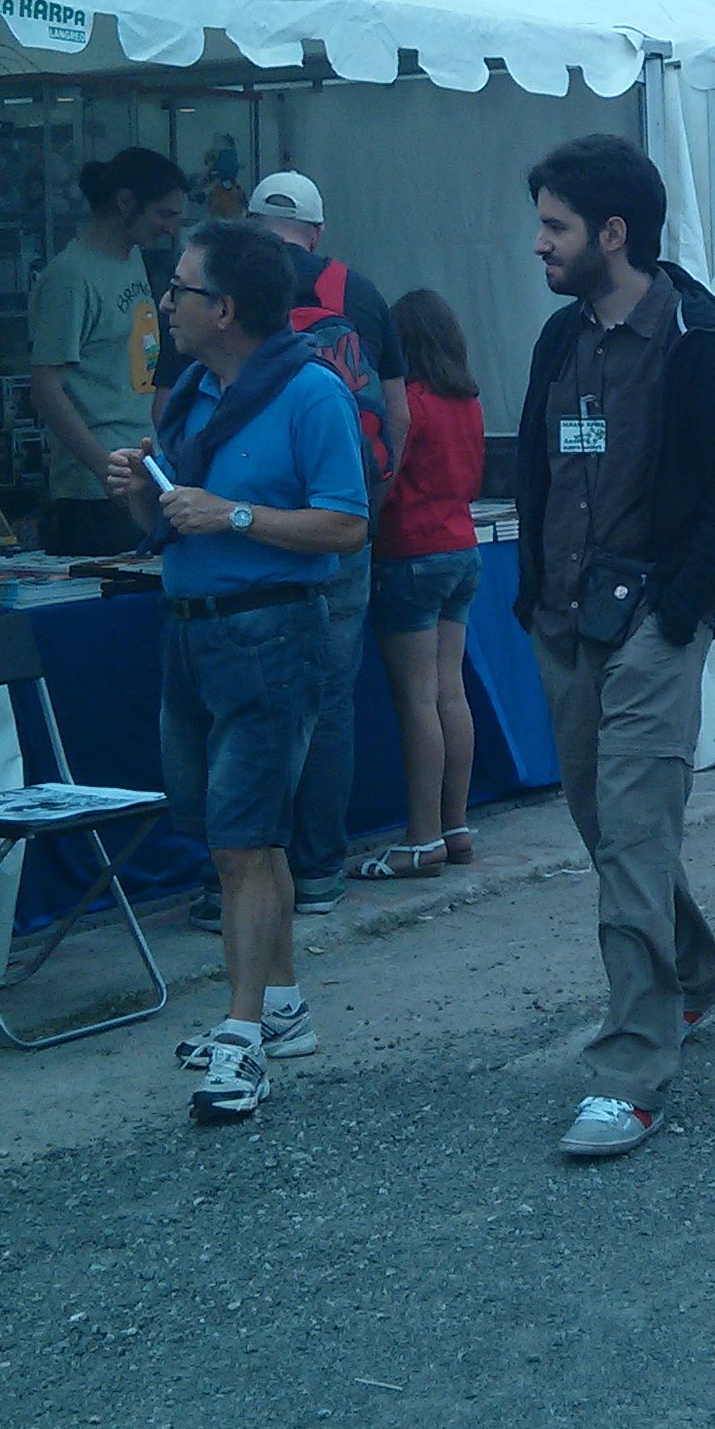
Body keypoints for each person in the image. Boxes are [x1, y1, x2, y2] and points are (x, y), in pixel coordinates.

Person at [513, 135, 715, 1160]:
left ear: (614, 234)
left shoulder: (700, 339)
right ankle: (692, 973)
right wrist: (533, 596)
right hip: (565, 623)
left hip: (655, 622)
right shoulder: (558, 341)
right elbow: (535, 466)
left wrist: (677, 608)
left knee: (634, 828)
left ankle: (631, 1069)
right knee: (604, 823)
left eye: (555, 226)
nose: (539, 245)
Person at [103, 221, 371, 1125]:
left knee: (240, 843)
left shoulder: (310, 395)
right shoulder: (188, 392)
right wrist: (140, 487)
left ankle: (244, 1032)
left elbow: (346, 526)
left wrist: (237, 517)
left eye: (177, 289)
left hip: (269, 633)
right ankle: (283, 1007)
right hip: (192, 629)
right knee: (241, 837)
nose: (164, 304)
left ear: (224, 309)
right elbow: (179, 516)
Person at [243, 171, 406, 920]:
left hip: (247, 531)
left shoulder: (224, 289)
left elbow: (171, 408)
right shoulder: (360, 292)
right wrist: (370, 499)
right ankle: (318, 869)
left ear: (250, 225)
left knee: (251, 701)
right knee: (331, 698)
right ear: (317, 229)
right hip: (344, 526)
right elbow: (397, 415)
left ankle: (249, 876)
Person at [358, 288, 486, 880]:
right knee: (449, 691)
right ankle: (454, 825)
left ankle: (420, 837)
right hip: (461, 546)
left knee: (415, 699)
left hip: (409, 549)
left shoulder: (407, 404)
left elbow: (387, 473)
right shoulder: (468, 401)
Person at [27, 148, 184, 557]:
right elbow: (46, 387)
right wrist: (102, 467)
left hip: (143, 471)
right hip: (92, 494)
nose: (170, 229)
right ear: (126, 202)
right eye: (164, 214)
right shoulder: (70, 277)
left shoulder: (130, 257)